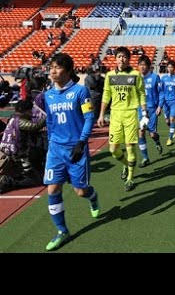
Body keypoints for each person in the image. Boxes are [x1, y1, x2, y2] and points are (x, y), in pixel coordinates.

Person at [43, 53, 98, 251]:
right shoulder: (47, 95)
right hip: (56, 150)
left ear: (68, 70)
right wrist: (50, 143)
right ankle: (62, 231)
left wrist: (82, 142)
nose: (52, 71)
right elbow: (50, 121)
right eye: (51, 67)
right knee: (52, 189)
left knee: (80, 191)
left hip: (76, 148)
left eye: (57, 67)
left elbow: (89, 118)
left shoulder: (80, 91)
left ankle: (93, 197)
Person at [97, 47, 147, 192]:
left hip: (131, 114)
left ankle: (130, 178)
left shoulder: (136, 75)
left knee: (130, 146)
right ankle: (126, 164)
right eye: (119, 56)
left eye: (124, 57)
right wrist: (101, 114)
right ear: (115, 58)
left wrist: (144, 112)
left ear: (128, 59)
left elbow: (142, 94)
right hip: (115, 115)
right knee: (113, 150)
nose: (121, 59)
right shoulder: (110, 76)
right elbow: (106, 95)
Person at [0, 100, 46, 194]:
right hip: (19, 156)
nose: (31, 114)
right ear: (23, 110)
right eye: (29, 111)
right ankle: (9, 181)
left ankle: (15, 177)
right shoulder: (19, 121)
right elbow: (35, 126)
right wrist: (47, 117)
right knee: (37, 180)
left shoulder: (12, 119)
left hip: (8, 152)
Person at [137, 55, 163, 168]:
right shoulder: (136, 78)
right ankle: (145, 158)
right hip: (141, 109)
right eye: (140, 65)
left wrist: (159, 106)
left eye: (144, 65)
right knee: (141, 132)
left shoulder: (155, 77)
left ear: (148, 66)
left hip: (152, 110)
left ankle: (157, 142)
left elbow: (161, 92)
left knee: (152, 134)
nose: (142, 67)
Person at [160, 60, 175, 146]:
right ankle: (173, 128)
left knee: (172, 119)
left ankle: (170, 138)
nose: (170, 69)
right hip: (165, 102)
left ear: (174, 68)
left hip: (174, 101)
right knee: (167, 121)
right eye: (169, 67)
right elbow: (161, 91)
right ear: (167, 68)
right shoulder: (163, 78)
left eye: (171, 67)